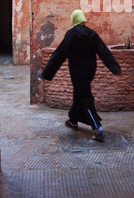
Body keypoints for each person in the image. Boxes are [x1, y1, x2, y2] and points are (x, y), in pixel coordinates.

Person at [41, 10, 121, 142]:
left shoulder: (71, 34)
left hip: (77, 72)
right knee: (79, 94)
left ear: (74, 20)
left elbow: (59, 54)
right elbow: (104, 51)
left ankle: (97, 127)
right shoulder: (92, 34)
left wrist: (47, 72)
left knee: (84, 96)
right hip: (90, 71)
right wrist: (115, 68)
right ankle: (73, 120)